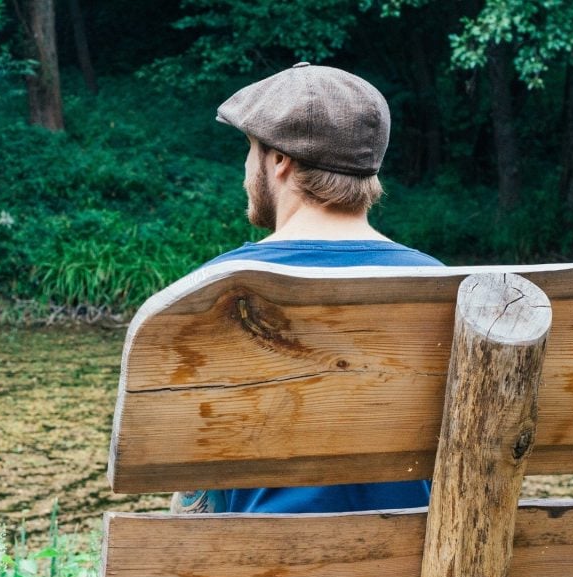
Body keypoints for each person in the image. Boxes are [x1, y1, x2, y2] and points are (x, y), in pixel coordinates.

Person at [171, 62, 442, 515]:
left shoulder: (216, 292)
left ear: (279, 160)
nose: (244, 168)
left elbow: (194, 492)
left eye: (251, 149)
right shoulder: (443, 287)